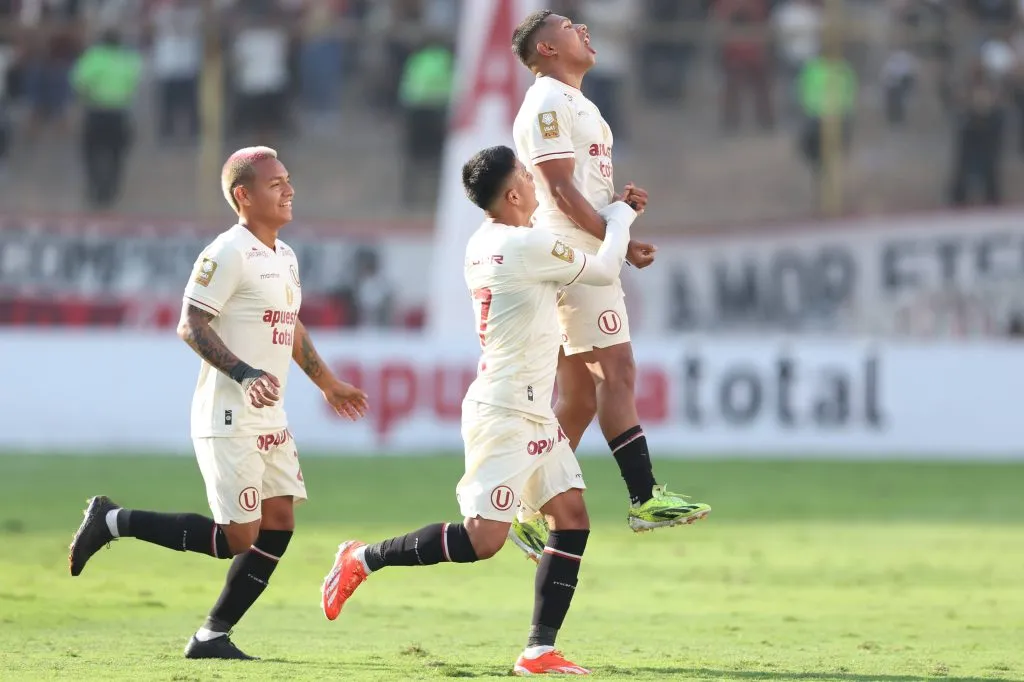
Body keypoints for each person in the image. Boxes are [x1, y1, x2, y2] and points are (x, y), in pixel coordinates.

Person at [320, 145, 637, 676]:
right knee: (481, 539)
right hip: (507, 410)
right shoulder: (523, 244)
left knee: (572, 518)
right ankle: (361, 558)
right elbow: (604, 270)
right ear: (512, 194)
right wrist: (620, 215)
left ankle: (538, 651)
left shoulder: (484, 242)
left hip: (530, 409)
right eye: (529, 181)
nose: (537, 188)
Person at [68, 146, 369, 660]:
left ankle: (211, 636)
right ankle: (112, 520)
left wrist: (326, 381)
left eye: (288, 180)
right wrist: (244, 372)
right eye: (276, 184)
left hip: (269, 414)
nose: (289, 190)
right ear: (243, 195)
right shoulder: (226, 253)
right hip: (228, 413)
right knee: (236, 537)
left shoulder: (285, 256)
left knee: (279, 524)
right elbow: (191, 323)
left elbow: (288, 327)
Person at [507, 10, 710, 561]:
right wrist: (610, 236)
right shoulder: (547, 100)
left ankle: (525, 510)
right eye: (571, 27)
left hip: (582, 247)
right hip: (574, 255)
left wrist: (617, 213)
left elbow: (581, 193)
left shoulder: (577, 102)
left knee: (577, 398)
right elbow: (555, 189)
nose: (584, 31)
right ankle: (644, 497)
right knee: (616, 371)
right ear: (546, 49)